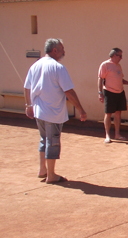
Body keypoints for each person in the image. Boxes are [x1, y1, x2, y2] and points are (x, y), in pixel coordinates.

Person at [24, 38, 87, 184]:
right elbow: (69, 91)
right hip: (52, 112)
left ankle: (43, 170)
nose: (64, 51)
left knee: (44, 139)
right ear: (55, 50)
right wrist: (81, 110)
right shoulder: (58, 67)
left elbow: (27, 87)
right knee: (52, 142)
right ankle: (51, 175)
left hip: (39, 111)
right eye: (62, 49)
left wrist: (29, 105)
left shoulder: (35, 65)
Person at [98, 48, 128, 144]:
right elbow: (100, 79)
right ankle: (107, 135)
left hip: (120, 92)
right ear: (114, 55)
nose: (121, 58)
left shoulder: (118, 66)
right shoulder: (105, 65)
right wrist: (100, 92)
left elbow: (120, 79)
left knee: (118, 113)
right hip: (109, 92)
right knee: (108, 114)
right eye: (120, 56)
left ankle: (117, 134)